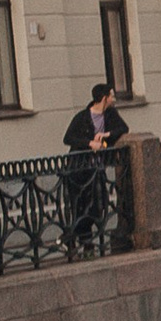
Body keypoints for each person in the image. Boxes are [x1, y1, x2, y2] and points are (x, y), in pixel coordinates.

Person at [62, 81, 118, 252]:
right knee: (81, 206)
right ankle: (86, 245)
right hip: (79, 169)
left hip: (96, 169)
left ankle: (71, 237)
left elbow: (122, 128)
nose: (114, 99)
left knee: (98, 205)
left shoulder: (110, 115)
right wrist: (89, 143)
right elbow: (68, 138)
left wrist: (106, 135)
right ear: (104, 98)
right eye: (112, 95)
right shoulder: (82, 117)